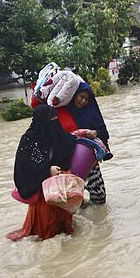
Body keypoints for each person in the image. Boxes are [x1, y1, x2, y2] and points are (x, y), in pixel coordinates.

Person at [7, 105, 77, 241]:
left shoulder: (58, 135)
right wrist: (47, 170)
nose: (55, 121)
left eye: (56, 117)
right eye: (52, 118)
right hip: (43, 193)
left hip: (60, 189)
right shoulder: (29, 140)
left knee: (66, 232)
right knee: (46, 231)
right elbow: (24, 165)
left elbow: (69, 144)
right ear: (42, 121)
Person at [66, 82, 111, 205]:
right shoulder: (66, 111)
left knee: (99, 198)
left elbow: (104, 132)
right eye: (81, 97)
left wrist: (95, 132)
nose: (83, 101)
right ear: (74, 95)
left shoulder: (92, 112)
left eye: (86, 99)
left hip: (89, 159)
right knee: (74, 199)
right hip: (69, 159)